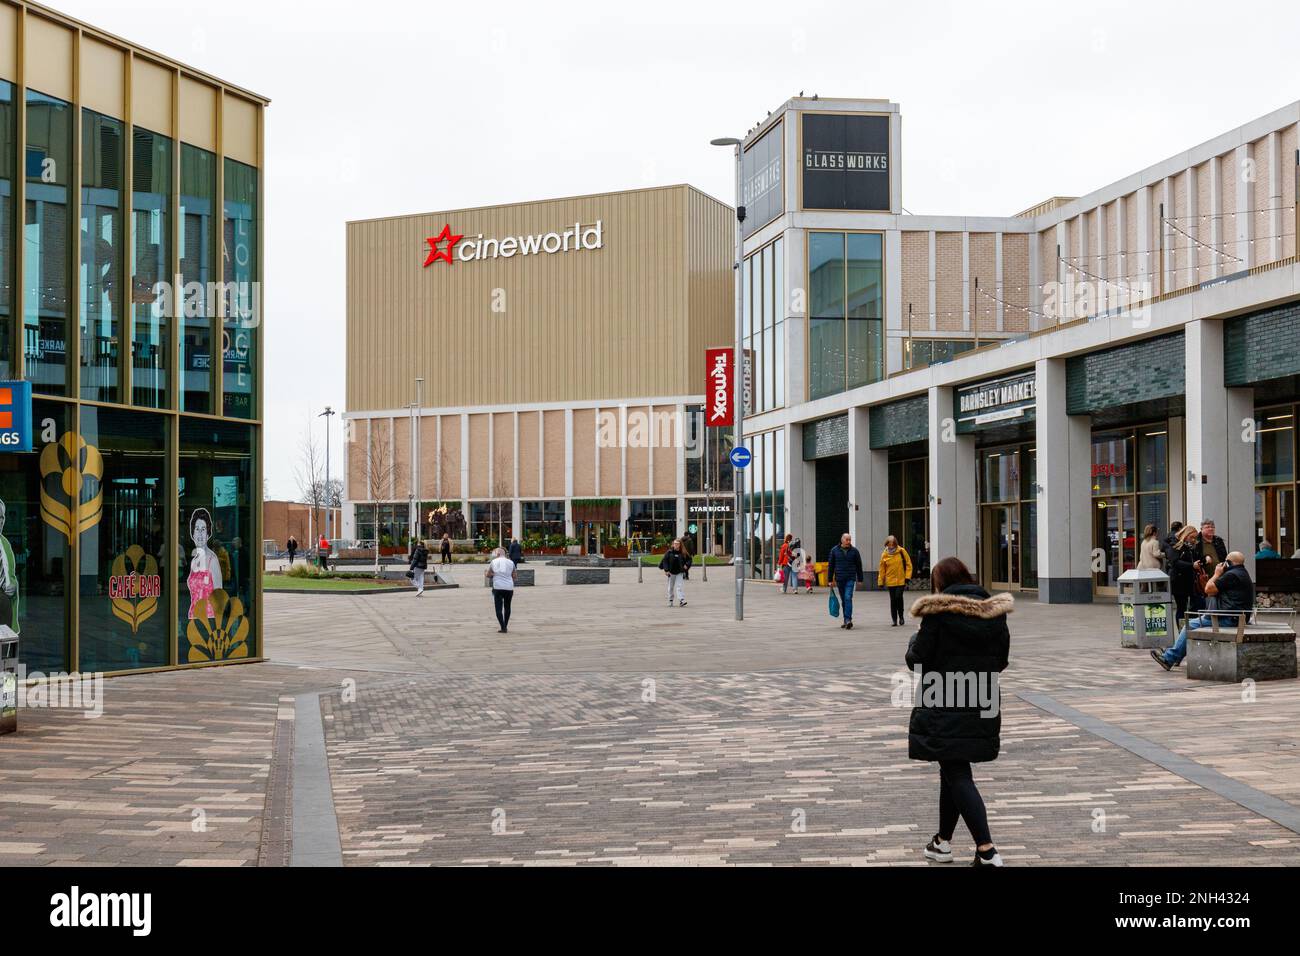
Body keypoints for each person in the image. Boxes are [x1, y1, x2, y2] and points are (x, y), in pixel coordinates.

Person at [907, 556, 1011, 868]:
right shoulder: (994, 614)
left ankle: (987, 850)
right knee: (951, 768)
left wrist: (915, 639)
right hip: (982, 698)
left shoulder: (937, 615)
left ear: (941, 584)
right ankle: (942, 842)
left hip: (945, 700)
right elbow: (1001, 660)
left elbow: (917, 659)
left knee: (956, 771)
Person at [1153, 552, 1254, 670]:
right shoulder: (1242, 573)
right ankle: (1174, 655)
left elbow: (1208, 589)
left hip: (1227, 618)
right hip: (1235, 617)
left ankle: (1169, 658)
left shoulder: (1231, 575)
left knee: (1189, 625)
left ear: (1228, 563)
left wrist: (1216, 574)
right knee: (1193, 622)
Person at [187, 508, 224, 620]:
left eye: (203, 529)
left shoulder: (212, 560)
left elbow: (219, 594)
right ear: (192, 533)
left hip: (209, 620)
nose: (200, 533)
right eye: (197, 529)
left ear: (208, 533)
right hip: (193, 618)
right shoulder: (194, 561)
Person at [1167, 524, 1201, 629]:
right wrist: (1192, 565)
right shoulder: (1175, 545)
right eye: (1191, 537)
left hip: (1190, 580)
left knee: (1194, 604)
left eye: (1195, 537)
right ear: (1185, 535)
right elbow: (1175, 562)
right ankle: (1182, 629)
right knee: (1181, 606)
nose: (1193, 540)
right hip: (1178, 580)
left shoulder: (1192, 547)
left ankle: (1190, 627)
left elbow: (1196, 559)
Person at [827, 533, 864, 630]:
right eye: (847, 540)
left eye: (850, 540)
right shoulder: (834, 551)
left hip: (850, 578)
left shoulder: (854, 551)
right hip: (840, 579)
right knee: (844, 599)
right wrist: (830, 580)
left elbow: (859, 565)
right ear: (842, 540)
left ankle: (848, 619)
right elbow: (831, 566)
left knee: (848, 597)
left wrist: (860, 579)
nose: (849, 542)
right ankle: (845, 619)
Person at [878, 535, 913, 626]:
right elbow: (882, 569)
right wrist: (881, 581)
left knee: (898, 597)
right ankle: (894, 620)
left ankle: (901, 616)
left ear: (895, 544)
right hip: (890, 581)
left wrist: (907, 577)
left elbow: (909, 564)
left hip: (901, 580)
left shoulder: (901, 551)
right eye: (889, 544)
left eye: (892, 544)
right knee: (893, 600)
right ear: (886, 544)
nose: (891, 546)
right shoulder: (884, 554)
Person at [485, 546, 517, 633]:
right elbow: (514, 576)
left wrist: (492, 574)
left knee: (498, 608)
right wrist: (509, 581)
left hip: (498, 587)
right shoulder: (511, 562)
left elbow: (488, 575)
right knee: (507, 607)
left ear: (498, 554)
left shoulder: (493, 562)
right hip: (509, 588)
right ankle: (505, 625)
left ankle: (503, 627)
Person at [659, 538, 692, 607]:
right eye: (675, 544)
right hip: (671, 573)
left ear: (680, 545)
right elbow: (665, 561)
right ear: (673, 545)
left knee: (679, 586)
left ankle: (681, 600)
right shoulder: (669, 552)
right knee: (670, 587)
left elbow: (689, 559)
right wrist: (666, 570)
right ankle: (670, 600)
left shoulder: (683, 552)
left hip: (679, 572)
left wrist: (687, 565)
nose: (676, 545)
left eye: (677, 544)